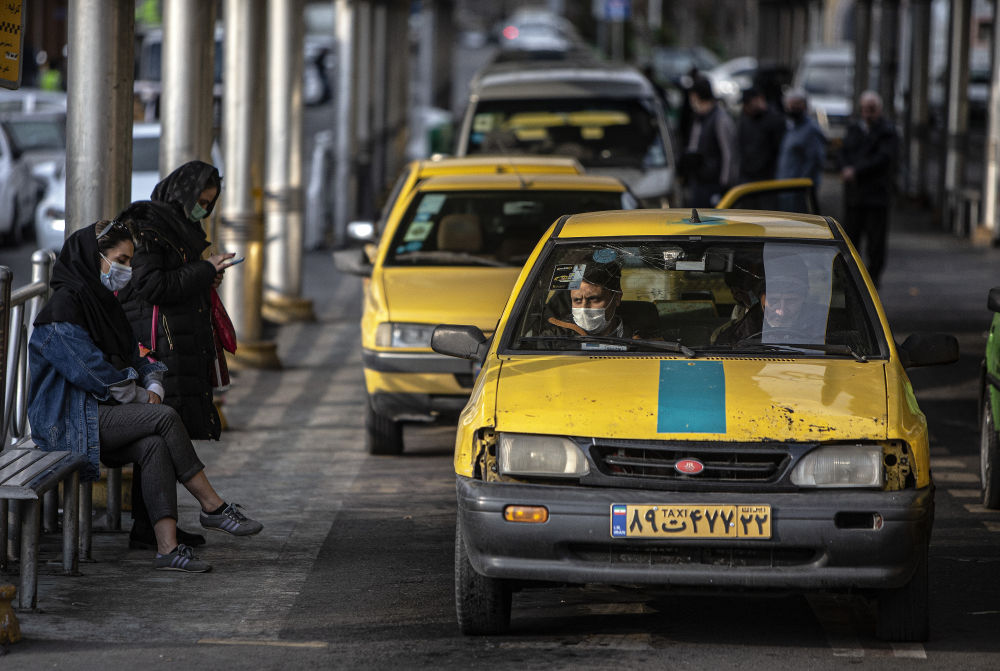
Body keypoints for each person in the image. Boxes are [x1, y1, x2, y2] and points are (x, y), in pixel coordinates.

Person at [27, 221, 262, 572]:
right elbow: (94, 374)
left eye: (129, 261)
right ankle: (212, 506)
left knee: (153, 444)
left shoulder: (103, 304)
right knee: (164, 417)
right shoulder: (62, 313)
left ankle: (167, 547)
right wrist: (142, 396)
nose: (126, 269)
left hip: (101, 416)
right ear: (94, 258)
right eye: (120, 260)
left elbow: (139, 354)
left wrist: (153, 385)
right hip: (68, 422)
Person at [117, 161, 235, 551]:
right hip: (159, 345)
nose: (204, 209)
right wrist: (203, 270)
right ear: (182, 192)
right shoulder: (150, 227)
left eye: (209, 204)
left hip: (178, 341)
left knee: (166, 435)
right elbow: (151, 285)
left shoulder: (180, 228)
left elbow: (178, 279)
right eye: (201, 201)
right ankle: (155, 525)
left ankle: (154, 526)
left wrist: (206, 274)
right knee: (162, 432)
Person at [839, 90, 898, 287]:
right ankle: (852, 281)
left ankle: (873, 282)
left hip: (875, 198)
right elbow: (843, 152)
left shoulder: (887, 132)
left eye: (871, 110)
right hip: (855, 197)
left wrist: (855, 171)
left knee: (875, 244)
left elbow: (883, 159)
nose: (867, 114)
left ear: (879, 110)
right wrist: (845, 168)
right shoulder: (854, 129)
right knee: (850, 241)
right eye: (864, 109)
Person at [541, 262, 657, 339]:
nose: (584, 308)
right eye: (577, 300)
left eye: (593, 299)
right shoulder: (553, 340)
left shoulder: (643, 339)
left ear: (617, 298)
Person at [680, 76, 738, 208]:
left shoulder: (720, 119)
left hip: (714, 184)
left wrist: (724, 185)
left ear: (697, 97)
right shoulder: (699, 118)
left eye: (692, 98)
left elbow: (729, 154)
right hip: (699, 181)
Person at [775, 89, 826, 201]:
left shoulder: (811, 130)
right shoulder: (791, 127)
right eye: (790, 105)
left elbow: (815, 160)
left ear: (805, 106)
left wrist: (803, 185)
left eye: (797, 104)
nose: (792, 108)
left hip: (799, 190)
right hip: (784, 187)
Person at [737, 87, 786, 184]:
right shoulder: (745, 118)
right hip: (747, 176)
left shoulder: (775, 120)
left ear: (760, 99)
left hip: (767, 178)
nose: (746, 107)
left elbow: (780, 150)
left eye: (749, 103)